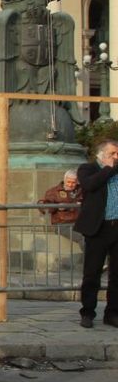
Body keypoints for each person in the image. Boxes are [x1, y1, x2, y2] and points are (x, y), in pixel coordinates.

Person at [74, 140, 118, 329]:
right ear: (101, 154)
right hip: (97, 229)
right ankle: (88, 312)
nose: (116, 157)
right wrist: (107, 169)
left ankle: (112, 313)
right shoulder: (88, 169)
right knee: (92, 273)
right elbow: (90, 185)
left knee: (116, 275)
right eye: (113, 153)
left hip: (117, 227)